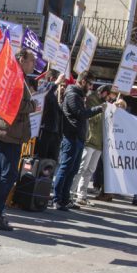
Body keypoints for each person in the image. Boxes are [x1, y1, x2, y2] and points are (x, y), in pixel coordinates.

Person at [0, 49, 37, 231]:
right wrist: (33, 104)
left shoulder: (15, 75)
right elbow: (15, 103)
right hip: (7, 132)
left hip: (5, 130)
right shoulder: (15, 76)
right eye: (32, 61)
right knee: (8, 174)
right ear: (22, 60)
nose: (34, 65)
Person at [52, 71, 105, 211]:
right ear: (83, 82)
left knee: (73, 170)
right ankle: (57, 199)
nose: (91, 87)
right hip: (71, 137)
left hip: (78, 138)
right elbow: (81, 114)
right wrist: (98, 109)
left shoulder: (79, 95)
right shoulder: (72, 95)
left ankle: (65, 199)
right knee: (65, 168)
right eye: (90, 84)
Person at [74, 84, 112, 205]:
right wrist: (103, 111)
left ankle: (82, 195)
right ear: (104, 92)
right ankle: (70, 192)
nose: (109, 99)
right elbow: (91, 118)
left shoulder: (105, 103)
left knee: (90, 170)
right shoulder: (91, 99)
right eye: (109, 96)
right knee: (82, 168)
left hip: (99, 142)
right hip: (90, 139)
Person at [34, 69, 64, 162]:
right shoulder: (42, 88)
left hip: (54, 132)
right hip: (44, 130)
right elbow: (45, 96)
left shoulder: (54, 93)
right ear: (51, 79)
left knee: (51, 162)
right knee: (41, 160)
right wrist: (56, 83)